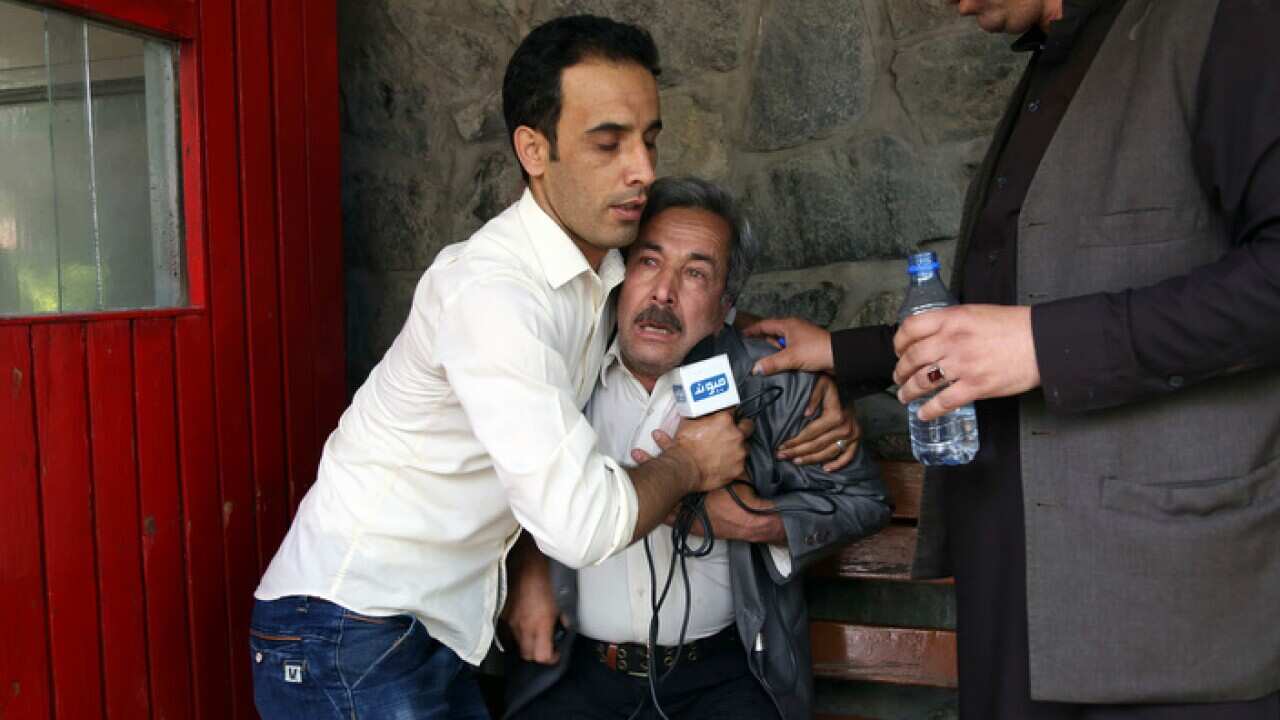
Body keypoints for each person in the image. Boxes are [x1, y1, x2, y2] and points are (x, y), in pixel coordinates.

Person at [745, 0, 1280, 718]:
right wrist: (837, 352)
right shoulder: (1055, 62)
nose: (955, 4)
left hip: (1172, 613)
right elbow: (1002, 314)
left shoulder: (1226, 20)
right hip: (1011, 590)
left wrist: (1039, 345)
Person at [246, 17, 757, 720]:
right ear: (533, 149)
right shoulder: (494, 294)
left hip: (414, 635)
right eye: (608, 143)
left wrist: (776, 359)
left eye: (649, 139)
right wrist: (690, 463)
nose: (642, 168)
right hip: (350, 634)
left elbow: (677, 316)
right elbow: (580, 524)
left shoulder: (598, 274)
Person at [500, 176, 891, 720]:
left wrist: (753, 522)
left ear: (726, 304)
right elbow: (499, 474)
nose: (663, 292)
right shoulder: (563, 371)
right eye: (648, 262)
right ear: (618, 273)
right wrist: (527, 566)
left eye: (696, 274)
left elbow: (865, 502)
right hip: (577, 671)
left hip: (726, 677)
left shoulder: (768, 382)